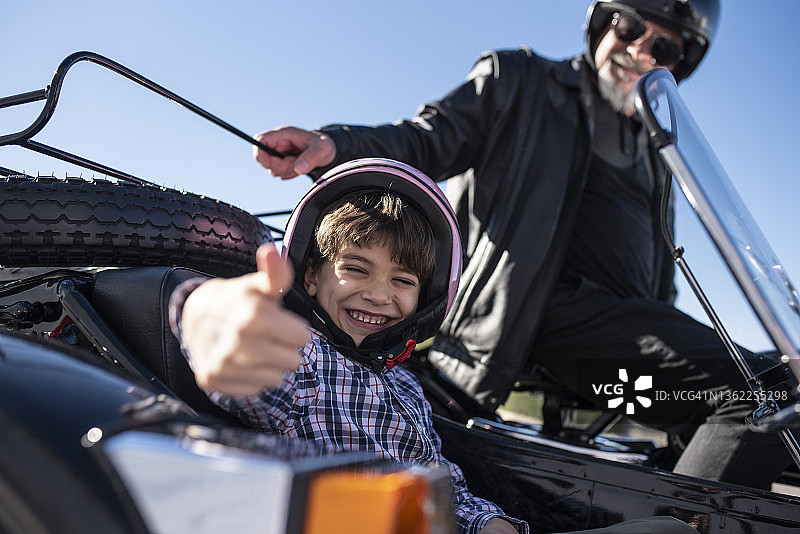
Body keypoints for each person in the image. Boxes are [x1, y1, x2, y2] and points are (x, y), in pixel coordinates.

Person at [248, 0, 793, 490]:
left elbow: (659, 271)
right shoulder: (521, 81)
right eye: (628, 25)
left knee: (758, 387)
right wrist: (337, 143)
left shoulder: (655, 154)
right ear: (603, 22)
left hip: (617, 348)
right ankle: (675, 529)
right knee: (768, 391)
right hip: (529, 323)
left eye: (663, 46)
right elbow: (426, 138)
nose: (637, 49)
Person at [170, 158, 699, 534]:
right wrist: (205, 314)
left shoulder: (405, 386)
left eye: (403, 281)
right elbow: (218, 340)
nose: (379, 294)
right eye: (356, 268)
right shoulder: (298, 355)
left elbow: (440, 485)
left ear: (424, 298)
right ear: (310, 274)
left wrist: (490, 524)